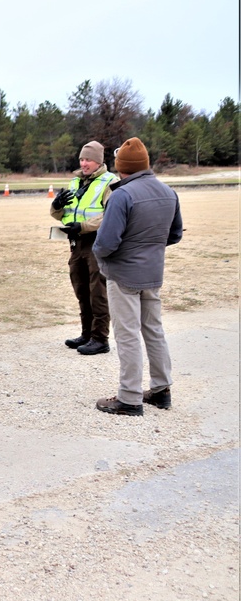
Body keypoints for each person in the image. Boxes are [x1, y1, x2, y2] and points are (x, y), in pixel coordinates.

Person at [92, 137, 183, 416]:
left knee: (127, 334)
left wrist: (100, 257)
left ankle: (129, 397)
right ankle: (161, 389)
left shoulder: (122, 194)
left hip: (123, 274)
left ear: (121, 167)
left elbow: (106, 242)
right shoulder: (168, 192)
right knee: (154, 331)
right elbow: (175, 234)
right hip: (153, 273)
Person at [50, 140, 118, 355]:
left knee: (98, 291)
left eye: (88, 159)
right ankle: (86, 333)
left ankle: (100, 338)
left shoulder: (110, 182)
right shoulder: (75, 182)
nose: (84, 163)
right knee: (81, 290)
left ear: (99, 161)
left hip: (97, 242)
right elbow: (60, 213)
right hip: (75, 243)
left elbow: (110, 215)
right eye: (81, 159)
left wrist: (84, 226)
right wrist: (57, 205)